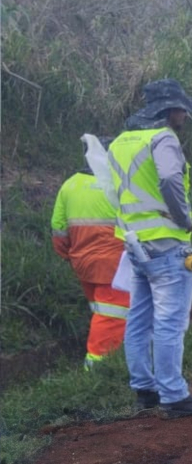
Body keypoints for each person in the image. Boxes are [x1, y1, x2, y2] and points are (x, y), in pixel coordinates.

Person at [108, 79, 192, 418]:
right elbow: (169, 179)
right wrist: (183, 218)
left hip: (134, 243)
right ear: (170, 109)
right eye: (182, 107)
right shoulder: (164, 137)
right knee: (169, 322)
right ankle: (173, 395)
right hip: (167, 243)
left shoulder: (122, 141)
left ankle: (145, 388)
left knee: (138, 319)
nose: (185, 113)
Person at [51, 142, 129, 368]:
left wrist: (69, 255)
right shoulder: (118, 184)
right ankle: (97, 367)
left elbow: (58, 229)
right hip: (114, 263)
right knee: (111, 314)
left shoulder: (70, 184)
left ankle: (116, 356)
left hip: (82, 262)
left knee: (101, 310)